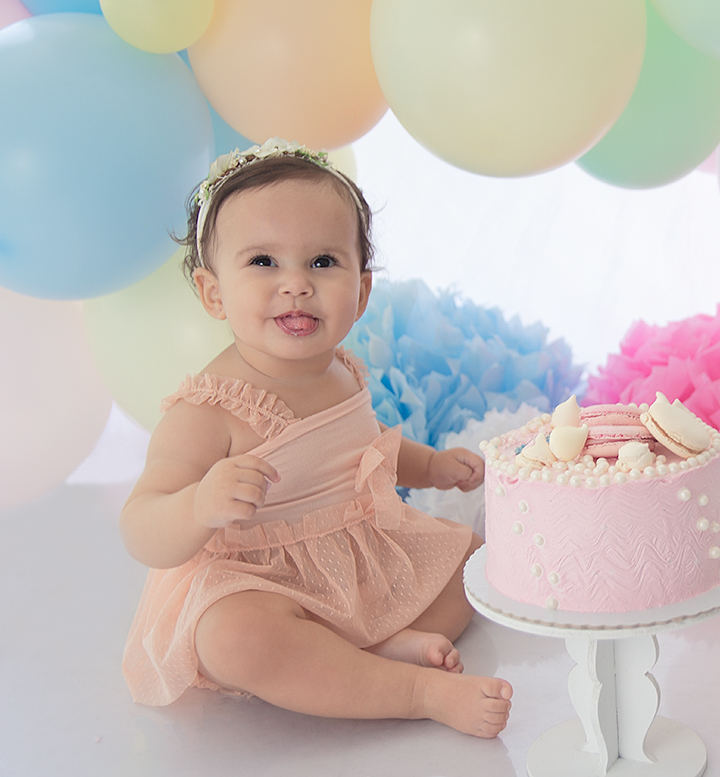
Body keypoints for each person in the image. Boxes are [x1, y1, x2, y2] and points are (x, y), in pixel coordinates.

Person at [119, 139, 512, 738]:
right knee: (235, 638)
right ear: (213, 293)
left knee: (472, 561)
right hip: (260, 580)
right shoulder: (208, 410)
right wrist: (199, 505)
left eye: (323, 262)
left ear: (362, 292)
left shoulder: (342, 370)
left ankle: (365, 654)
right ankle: (415, 691)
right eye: (263, 262)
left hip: (353, 555)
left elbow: (367, 447)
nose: (296, 284)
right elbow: (140, 524)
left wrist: (431, 466)